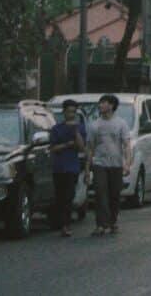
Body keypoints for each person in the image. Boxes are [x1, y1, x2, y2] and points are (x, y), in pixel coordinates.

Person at [87, 94, 131, 237]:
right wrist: (88, 168)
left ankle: (113, 221)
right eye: (100, 103)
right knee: (100, 193)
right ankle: (100, 224)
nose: (100, 106)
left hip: (116, 165)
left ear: (111, 106)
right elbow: (90, 148)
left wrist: (127, 164)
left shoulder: (121, 124)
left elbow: (127, 145)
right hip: (99, 164)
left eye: (104, 103)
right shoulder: (95, 125)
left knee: (114, 195)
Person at [49, 99, 86, 237]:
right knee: (60, 197)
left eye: (73, 112)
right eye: (69, 112)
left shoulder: (80, 127)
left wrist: (75, 131)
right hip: (58, 167)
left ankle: (66, 225)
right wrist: (66, 145)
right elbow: (53, 148)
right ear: (64, 112)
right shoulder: (56, 129)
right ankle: (61, 223)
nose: (71, 115)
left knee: (69, 196)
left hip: (72, 167)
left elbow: (82, 147)